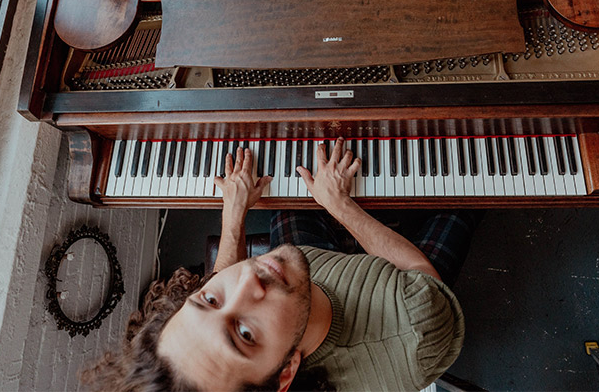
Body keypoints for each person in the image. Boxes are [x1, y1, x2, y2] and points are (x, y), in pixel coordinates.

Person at [82, 138, 472, 392]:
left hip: (306, 276)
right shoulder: (415, 325)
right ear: (286, 374)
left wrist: (234, 213)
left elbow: (222, 281)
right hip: (394, 289)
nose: (248, 276)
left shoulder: (265, 284)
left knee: (289, 180)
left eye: (210, 301)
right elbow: (420, 271)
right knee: (466, 188)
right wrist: (338, 204)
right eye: (246, 334)